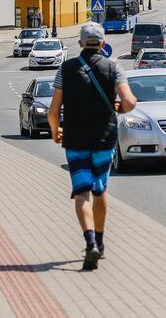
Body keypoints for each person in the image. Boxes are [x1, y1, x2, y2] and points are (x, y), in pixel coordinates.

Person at [48, 22, 137, 271]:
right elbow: (129, 101)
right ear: (104, 44)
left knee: (81, 192)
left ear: (80, 43)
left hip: (75, 139)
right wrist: (119, 107)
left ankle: (89, 244)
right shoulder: (114, 67)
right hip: (104, 139)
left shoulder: (65, 69)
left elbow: (54, 110)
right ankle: (100, 240)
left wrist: (56, 132)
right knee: (100, 190)